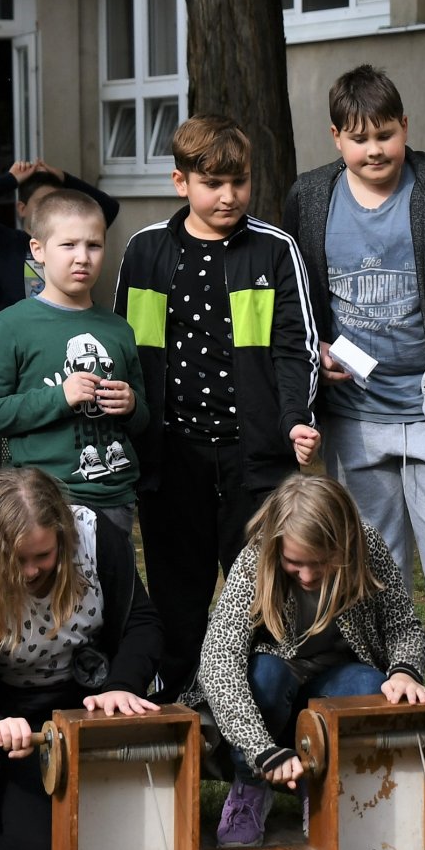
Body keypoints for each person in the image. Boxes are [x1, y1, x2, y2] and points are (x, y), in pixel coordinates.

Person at [282, 65, 425, 692]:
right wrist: (313, 353)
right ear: (335, 138)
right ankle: (387, 698)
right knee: (369, 570)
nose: (374, 149)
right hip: (353, 418)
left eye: (385, 133)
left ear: (404, 126)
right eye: (359, 138)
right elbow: (292, 294)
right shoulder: (309, 197)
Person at [115, 114, 320, 699]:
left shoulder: (275, 250)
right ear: (181, 182)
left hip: (253, 458)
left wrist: (295, 421)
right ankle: (182, 712)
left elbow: (295, 348)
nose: (228, 196)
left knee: (263, 600)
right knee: (178, 599)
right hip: (171, 456)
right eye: (212, 183)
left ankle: (259, 712)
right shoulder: (146, 251)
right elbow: (129, 351)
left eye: (240, 181)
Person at [0, 469, 162, 850]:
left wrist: (122, 684)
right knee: (32, 847)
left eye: (44, 556)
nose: (32, 572)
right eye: (17, 560)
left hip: (89, 703)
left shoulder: (96, 537)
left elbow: (143, 623)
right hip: (12, 722)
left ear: (63, 536)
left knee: (125, 838)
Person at [195, 474, 425, 847]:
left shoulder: (367, 544)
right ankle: (251, 788)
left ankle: (324, 787)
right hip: (276, 676)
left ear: (344, 543)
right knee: (264, 678)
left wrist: (404, 671)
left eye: (320, 563)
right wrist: (262, 752)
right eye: (294, 563)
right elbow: (219, 661)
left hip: (339, 675)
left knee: (371, 688)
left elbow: (404, 625)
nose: (307, 575)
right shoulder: (256, 558)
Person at [0, 190, 147, 531]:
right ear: (39, 250)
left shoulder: (118, 328)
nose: (83, 258)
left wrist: (132, 404)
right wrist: (59, 397)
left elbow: (142, 420)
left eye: (94, 245)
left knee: (111, 586)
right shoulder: (13, 324)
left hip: (115, 499)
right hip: (46, 501)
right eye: (69, 245)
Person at [0, 157, 121, 308]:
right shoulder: (5, 241)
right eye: (43, 202)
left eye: (57, 203)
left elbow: (109, 207)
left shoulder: (72, 241)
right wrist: (11, 179)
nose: (51, 209)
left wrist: (65, 178)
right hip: (18, 331)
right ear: (22, 208)